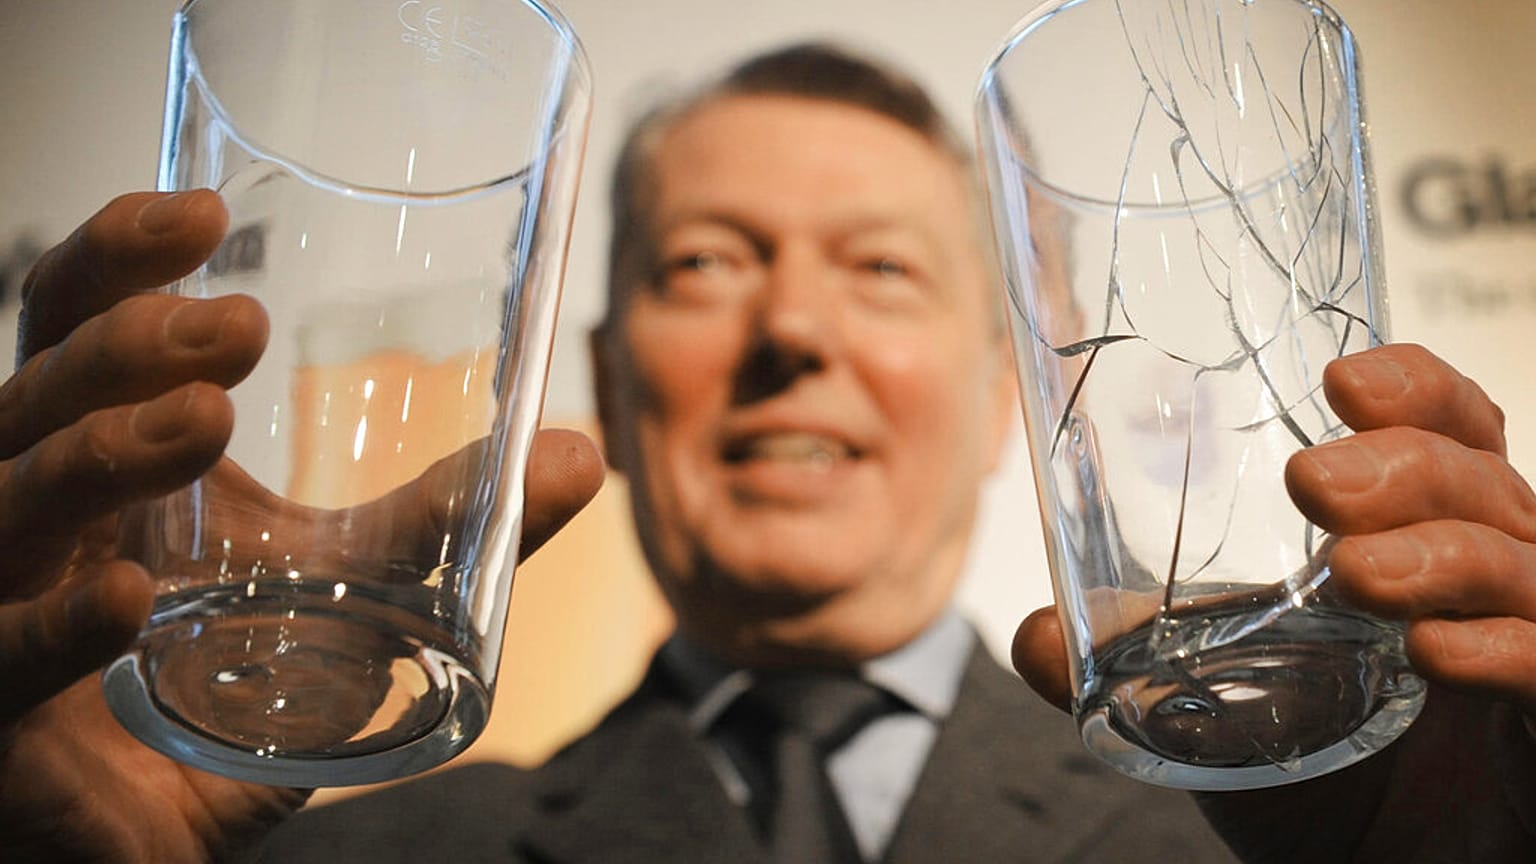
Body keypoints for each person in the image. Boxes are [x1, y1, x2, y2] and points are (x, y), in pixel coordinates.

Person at [0, 42, 1532, 864]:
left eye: (880, 269)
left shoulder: (1290, 848)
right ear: (602, 375)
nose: (790, 329)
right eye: (708, 264)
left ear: (1016, 388)